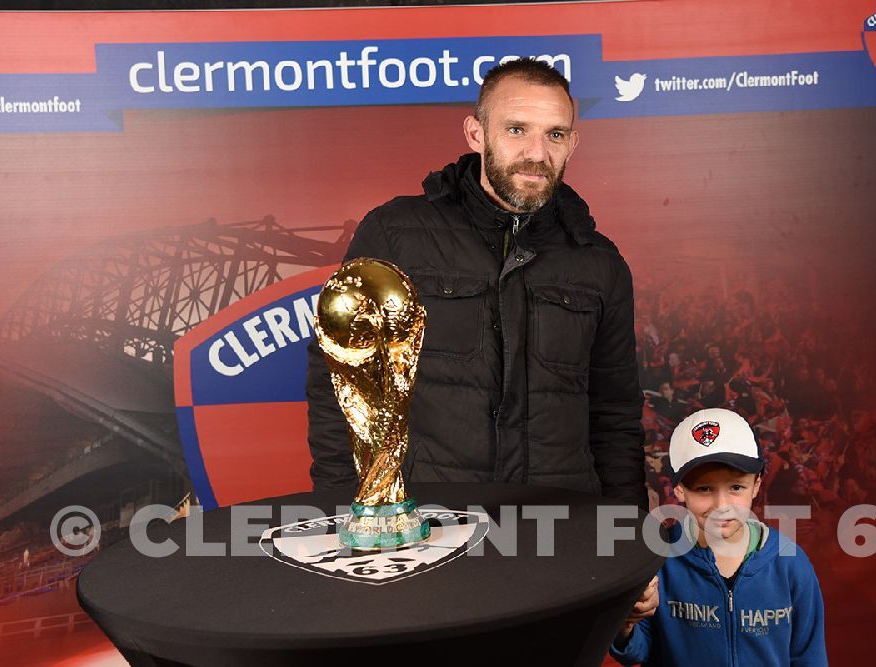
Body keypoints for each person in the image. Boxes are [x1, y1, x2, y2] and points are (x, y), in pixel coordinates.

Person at [306, 58, 646, 508]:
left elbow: (615, 416)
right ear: (475, 133)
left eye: (555, 135)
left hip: (563, 529)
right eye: (516, 130)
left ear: (572, 143)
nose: (537, 154)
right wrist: (345, 511)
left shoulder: (600, 262)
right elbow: (341, 384)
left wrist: (627, 542)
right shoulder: (394, 233)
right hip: (427, 525)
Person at [611, 408, 827, 666]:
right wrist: (626, 622)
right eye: (704, 489)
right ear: (679, 489)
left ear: (756, 485)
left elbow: (809, 658)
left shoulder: (790, 564)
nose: (721, 504)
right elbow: (637, 649)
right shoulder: (658, 558)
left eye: (736, 487)